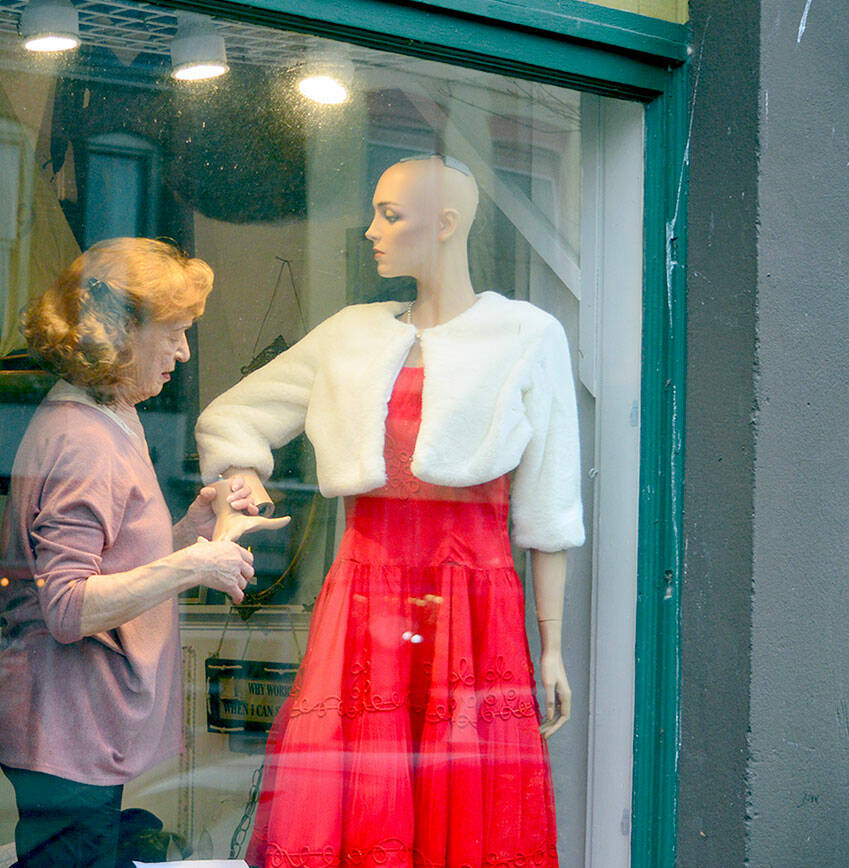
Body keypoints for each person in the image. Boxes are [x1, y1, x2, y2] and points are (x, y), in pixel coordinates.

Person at [196, 155, 585, 868]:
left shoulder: (527, 337)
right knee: (361, 789)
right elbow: (236, 415)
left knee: (461, 793)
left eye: (391, 214)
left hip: (472, 602)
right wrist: (242, 475)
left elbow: (549, 507)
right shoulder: (352, 334)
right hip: (365, 596)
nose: (371, 230)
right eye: (374, 211)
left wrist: (551, 645)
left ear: (446, 225)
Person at [0, 237, 283, 868]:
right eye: (173, 331)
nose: (184, 350)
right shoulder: (84, 439)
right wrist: (196, 564)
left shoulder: (110, 410)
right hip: (65, 730)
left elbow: (106, 563)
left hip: (75, 729)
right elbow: (67, 608)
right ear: (119, 332)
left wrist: (189, 532)